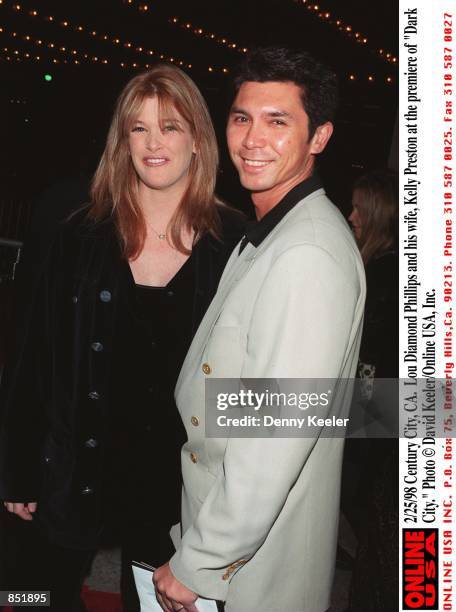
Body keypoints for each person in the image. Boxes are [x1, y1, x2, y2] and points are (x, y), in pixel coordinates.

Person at [0, 64, 245, 612]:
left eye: (171, 127)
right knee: (34, 596)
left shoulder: (234, 246)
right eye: (139, 128)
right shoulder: (79, 234)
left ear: (199, 142)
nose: (154, 143)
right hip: (74, 465)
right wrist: (17, 467)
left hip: (173, 480)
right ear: (122, 141)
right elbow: (33, 354)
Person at [153, 47, 366, 612]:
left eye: (278, 122)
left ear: (318, 137)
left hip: (252, 571)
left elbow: (274, 436)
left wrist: (201, 561)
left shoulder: (307, 251)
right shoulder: (277, 230)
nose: (252, 140)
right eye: (242, 118)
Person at [345, 169, 399, 611]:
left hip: (381, 408)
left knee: (370, 508)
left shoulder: (383, 275)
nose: (351, 217)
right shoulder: (380, 266)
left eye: (358, 209)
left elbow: (373, 358)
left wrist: (360, 418)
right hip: (385, 406)